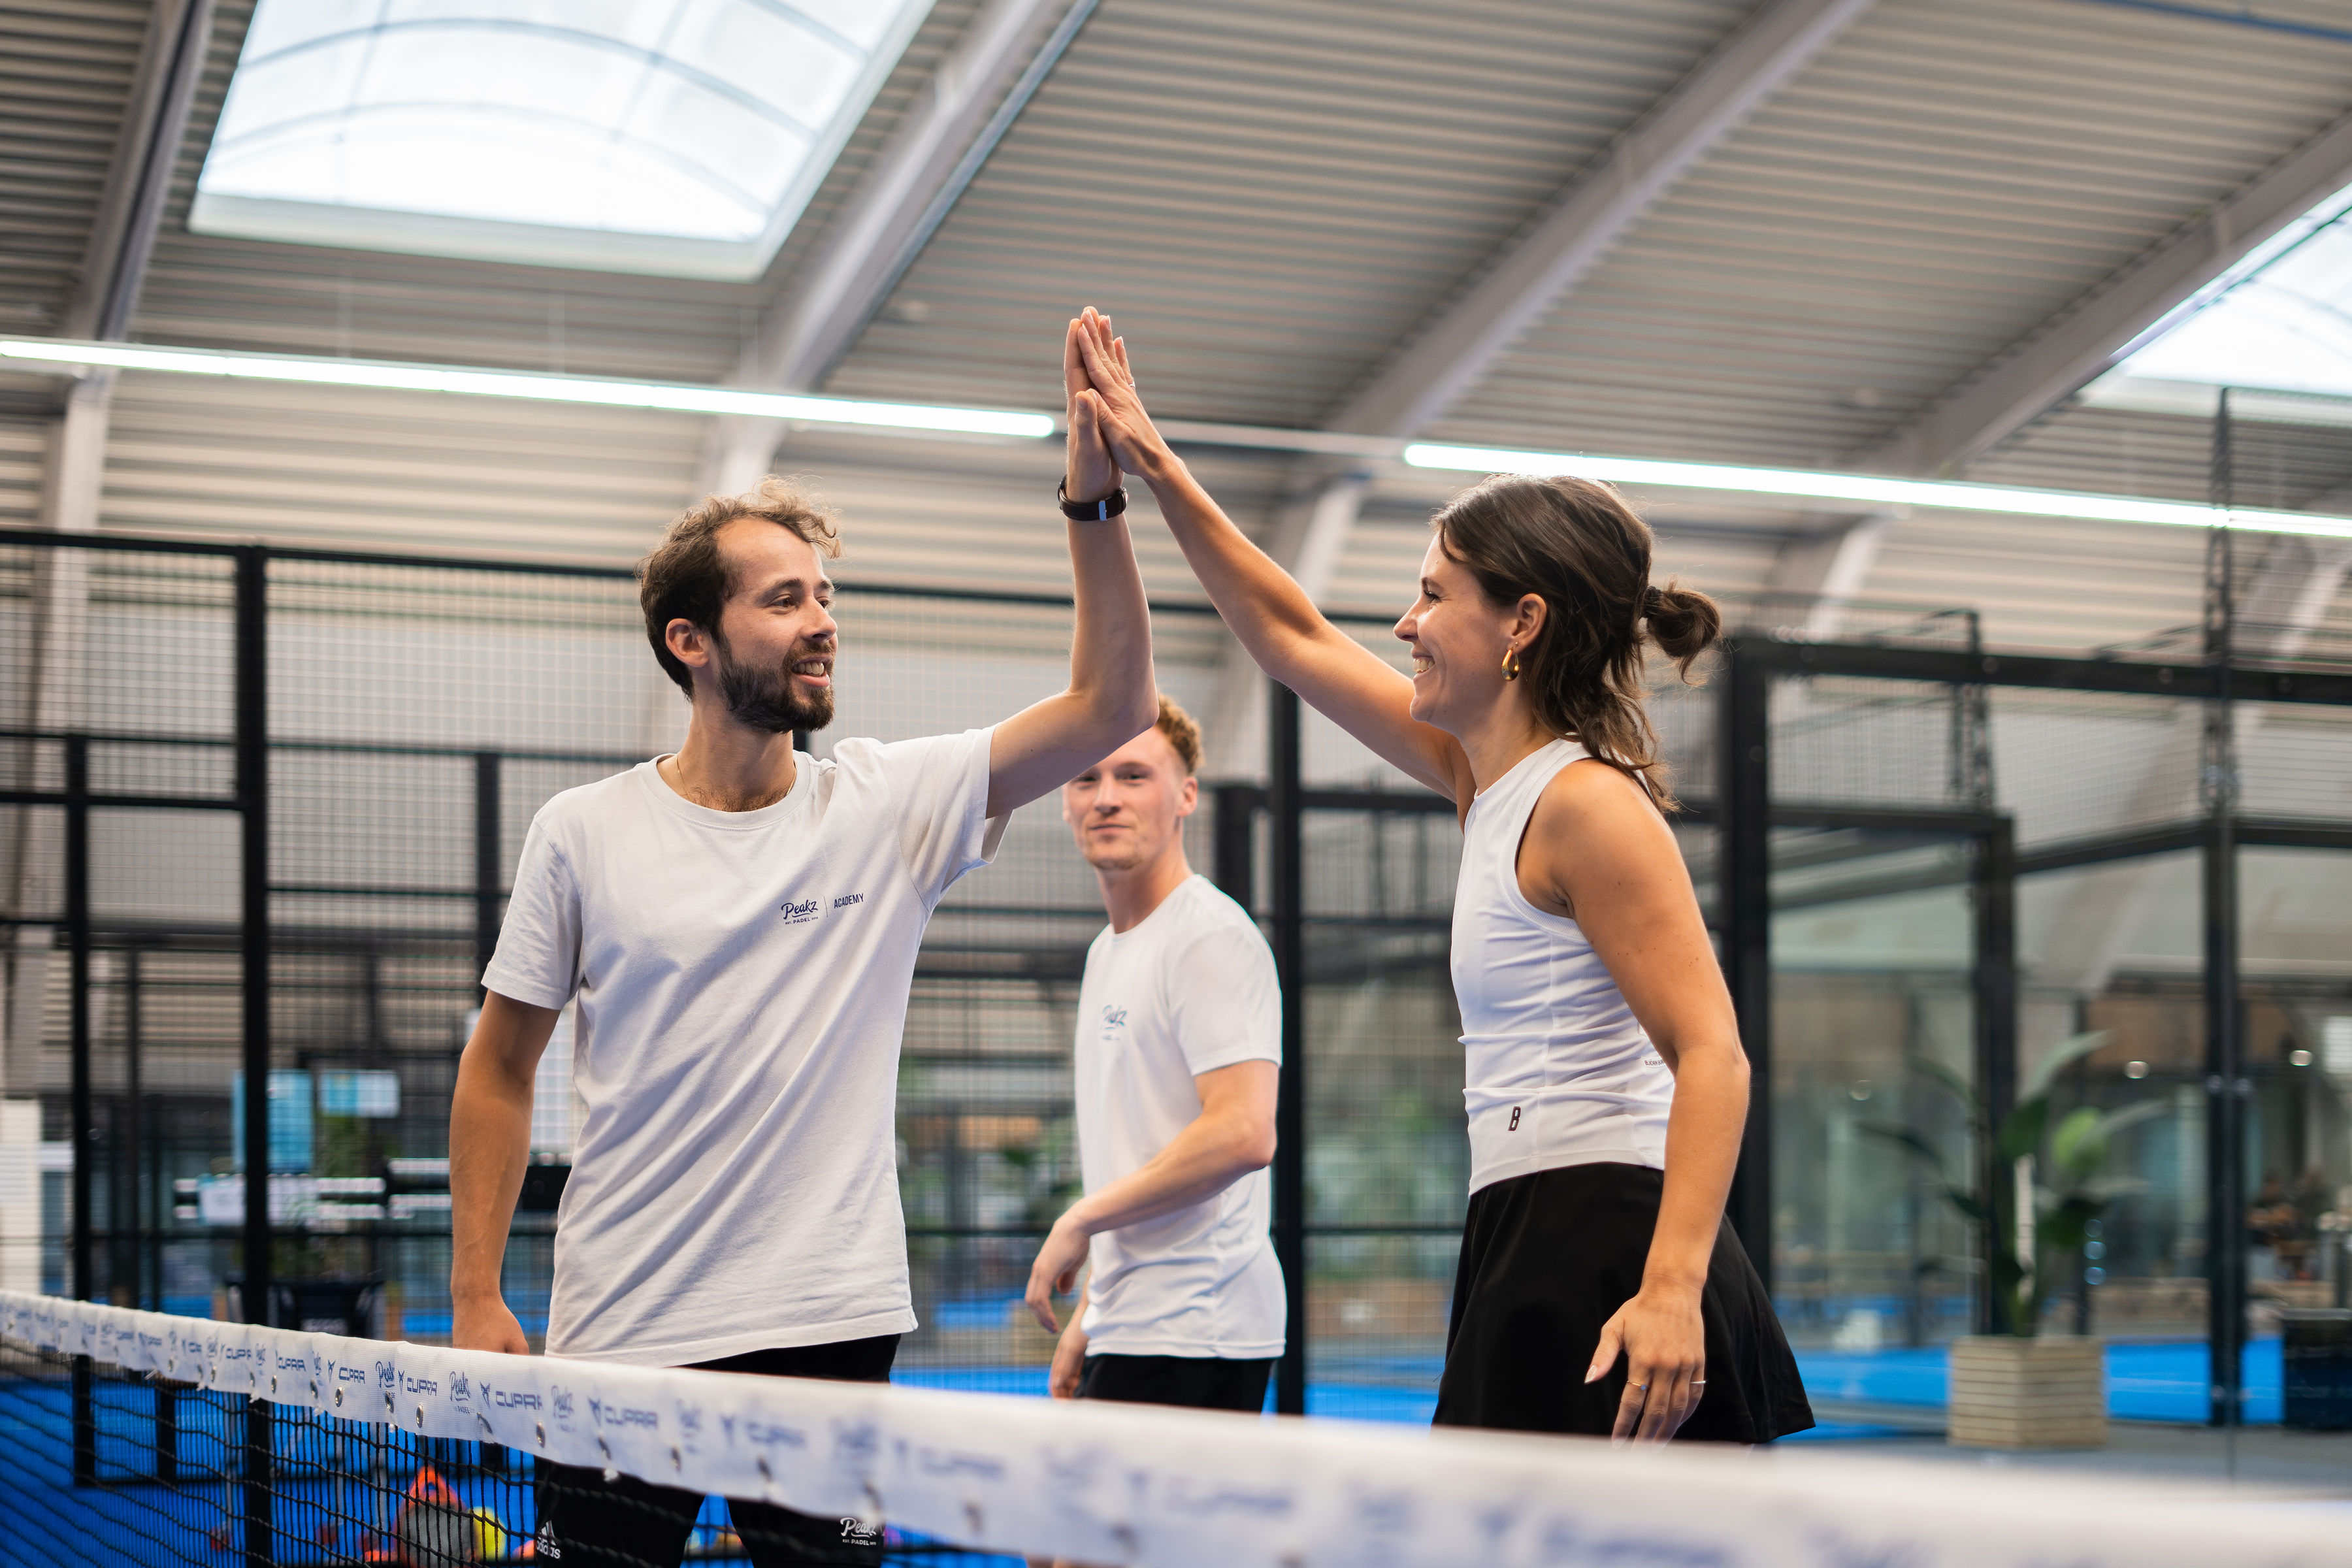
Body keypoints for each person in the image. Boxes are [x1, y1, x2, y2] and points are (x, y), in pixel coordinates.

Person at [446, 311, 1157, 1566]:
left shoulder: (890, 802)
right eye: (785, 601)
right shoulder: (583, 831)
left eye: (827, 595)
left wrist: (1093, 503)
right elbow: (501, 1066)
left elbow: (1112, 702)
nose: (825, 620)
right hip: (622, 1326)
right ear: (692, 642)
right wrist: (475, 1294)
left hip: (829, 1324)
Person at [1056, 310, 1811, 1445]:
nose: (1405, 623)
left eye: (1433, 596)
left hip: (1609, 1225)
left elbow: (1712, 1054)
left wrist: (1669, 1288)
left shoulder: (1587, 806)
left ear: (1523, 623)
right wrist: (1146, 465)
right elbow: (1284, 629)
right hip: (1526, 1216)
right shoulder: (1482, 777)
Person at [1021, 695, 1283, 1420]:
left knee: (1067, 1537)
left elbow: (1243, 1133)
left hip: (1200, 1327)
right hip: (1134, 1321)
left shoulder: (1209, 938)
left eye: (1134, 776)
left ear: (1186, 796)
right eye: (1086, 779)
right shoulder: (1108, 951)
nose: (1106, 798)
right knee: (1060, 1537)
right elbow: (1140, 1155)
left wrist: (1080, 1221)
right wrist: (1092, 1313)